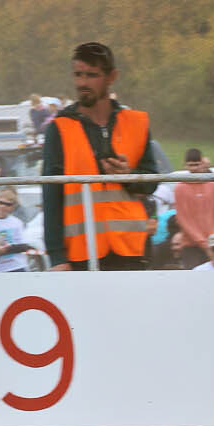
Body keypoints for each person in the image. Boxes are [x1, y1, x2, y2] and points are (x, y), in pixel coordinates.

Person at [41, 41, 165, 271]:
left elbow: (152, 182)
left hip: (132, 251)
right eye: (78, 75)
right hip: (82, 254)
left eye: (92, 75)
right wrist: (57, 257)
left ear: (112, 77)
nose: (82, 83)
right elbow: (51, 197)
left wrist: (129, 176)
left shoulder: (137, 123)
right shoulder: (59, 129)